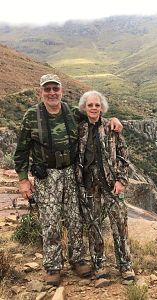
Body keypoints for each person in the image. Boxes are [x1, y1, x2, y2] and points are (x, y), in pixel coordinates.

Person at [14, 74, 123, 286]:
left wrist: (115, 120)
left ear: (61, 91)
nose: (52, 93)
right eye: (48, 89)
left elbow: (95, 117)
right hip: (47, 176)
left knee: (75, 219)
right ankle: (53, 266)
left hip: (72, 173)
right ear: (41, 92)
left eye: (56, 89)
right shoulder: (31, 116)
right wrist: (23, 180)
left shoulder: (72, 113)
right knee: (50, 221)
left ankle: (77, 260)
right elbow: (21, 151)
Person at [76, 90, 135, 281]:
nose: (93, 108)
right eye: (90, 105)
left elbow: (123, 157)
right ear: (84, 108)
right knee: (94, 227)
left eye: (97, 105)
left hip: (112, 185)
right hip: (89, 186)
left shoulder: (111, 127)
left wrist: (121, 180)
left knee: (120, 225)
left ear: (102, 108)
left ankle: (125, 267)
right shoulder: (79, 129)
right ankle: (99, 265)